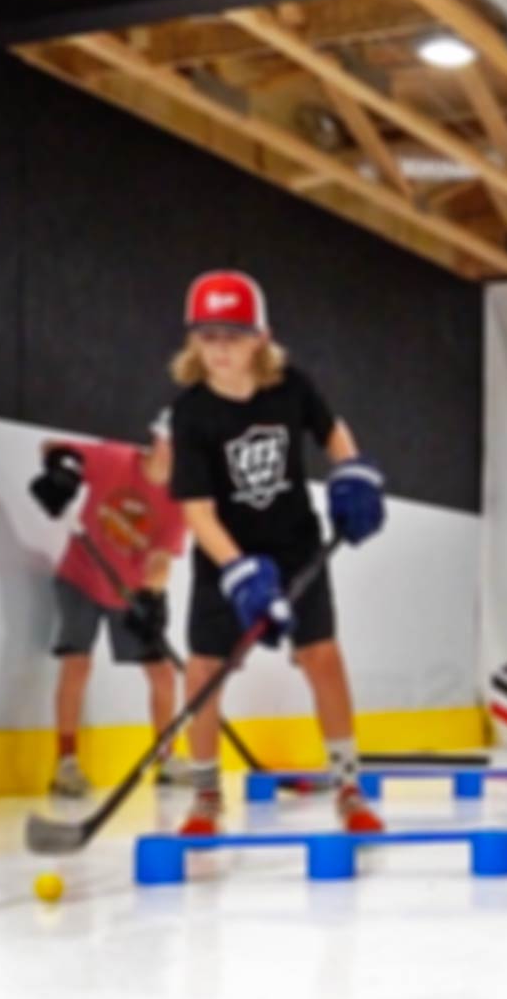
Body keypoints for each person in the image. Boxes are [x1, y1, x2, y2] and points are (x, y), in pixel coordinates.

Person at [164, 270, 386, 836]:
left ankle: (348, 784)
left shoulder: (290, 386)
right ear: (194, 341)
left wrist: (353, 474)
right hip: (224, 557)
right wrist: (239, 573)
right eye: (208, 336)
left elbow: (334, 432)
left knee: (322, 658)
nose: (220, 349)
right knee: (203, 671)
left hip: (295, 547)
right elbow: (197, 511)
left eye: (232, 336)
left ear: (259, 337)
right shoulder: (190, 412)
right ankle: (206, 795)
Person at [30, 423, 187, 797]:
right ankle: (66, 765)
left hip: (129, 593)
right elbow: (52, 445)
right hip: (80, 578)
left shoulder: (178, 499)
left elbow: (162, 557)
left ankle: (167, 759)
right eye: (175, 442)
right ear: (159, 440)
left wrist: (151, 597)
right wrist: (61, 470)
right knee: (77, 663)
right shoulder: (115, 459)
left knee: (163, 674)